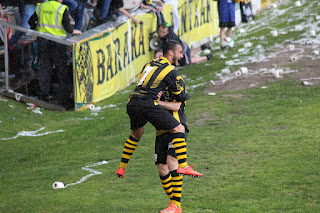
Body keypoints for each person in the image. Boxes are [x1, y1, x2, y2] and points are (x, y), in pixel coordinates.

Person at [115, 40, 190, 182]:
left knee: (137, 133)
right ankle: (184, 165)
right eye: (180, 53)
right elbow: (180, 97)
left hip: (132, 101)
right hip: (147, 103)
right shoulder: (170, 71)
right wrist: (183, 95)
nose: (181, 56)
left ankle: (122, 167)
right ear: (171, 53)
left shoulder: (149, 64)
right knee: (179, 128)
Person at [35, 0, 81, 106]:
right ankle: (65, 95)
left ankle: (43, 94)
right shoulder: (62, 8)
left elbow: (31, 22)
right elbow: (67, 27)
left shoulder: (41, 6)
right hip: (58, 43)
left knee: (45, 68)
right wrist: (74, 31)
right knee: (62, 69)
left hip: (43, 41)